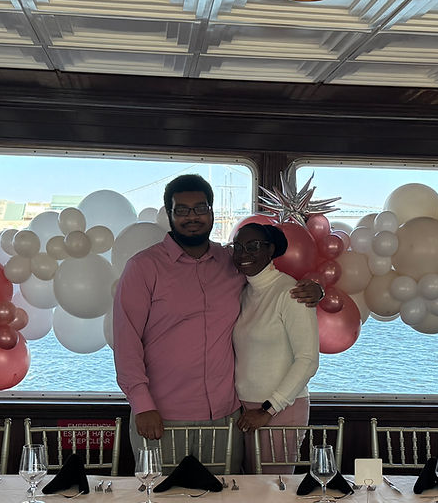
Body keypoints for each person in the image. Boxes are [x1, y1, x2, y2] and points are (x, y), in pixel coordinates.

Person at [113, 174, 320, 473]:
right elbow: (126, 342)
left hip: (226, 419)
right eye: (181, 210)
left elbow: (271, 279)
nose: (192, 216)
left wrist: (316, 290)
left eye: (200, 207)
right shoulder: (143, 268)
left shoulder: (231, 262)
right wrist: (142, 405)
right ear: (169, 214)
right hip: (162, 416)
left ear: (211, 211)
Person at [232, 224, 319, 474]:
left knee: (274, 495)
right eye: (237, 247)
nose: (243, 253)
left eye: (253, 246)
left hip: (280, 408)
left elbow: (308, 360)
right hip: (246, 410)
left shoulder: (292, 292)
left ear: (271, 249)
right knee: (250, 494)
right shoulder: (244, 292)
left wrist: (268, 409)